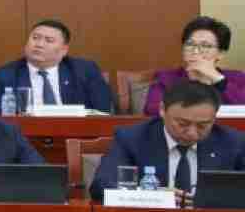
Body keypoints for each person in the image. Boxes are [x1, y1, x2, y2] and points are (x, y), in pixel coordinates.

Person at [90, 79, 245, 200]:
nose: (192, 133)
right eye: (183, 124)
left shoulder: (233, 142)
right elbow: (102, 185)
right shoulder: (132, 138)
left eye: (202, 125)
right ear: (162, 110)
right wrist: (153, 195)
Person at [0, 19, 114, 113]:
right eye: (35, 38)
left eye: (49, 40)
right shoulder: (7, 74)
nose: (39, 44)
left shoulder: (84, 71)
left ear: (64, 50)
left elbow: (102, 111)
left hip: (75, 133)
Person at [142, 15, 245, 114]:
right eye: (190, 44)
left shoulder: (238, 78)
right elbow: (152, 109)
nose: (195, 51)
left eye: (205, 46)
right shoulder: (166, 78)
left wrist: (218, 79)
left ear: (220, 54)